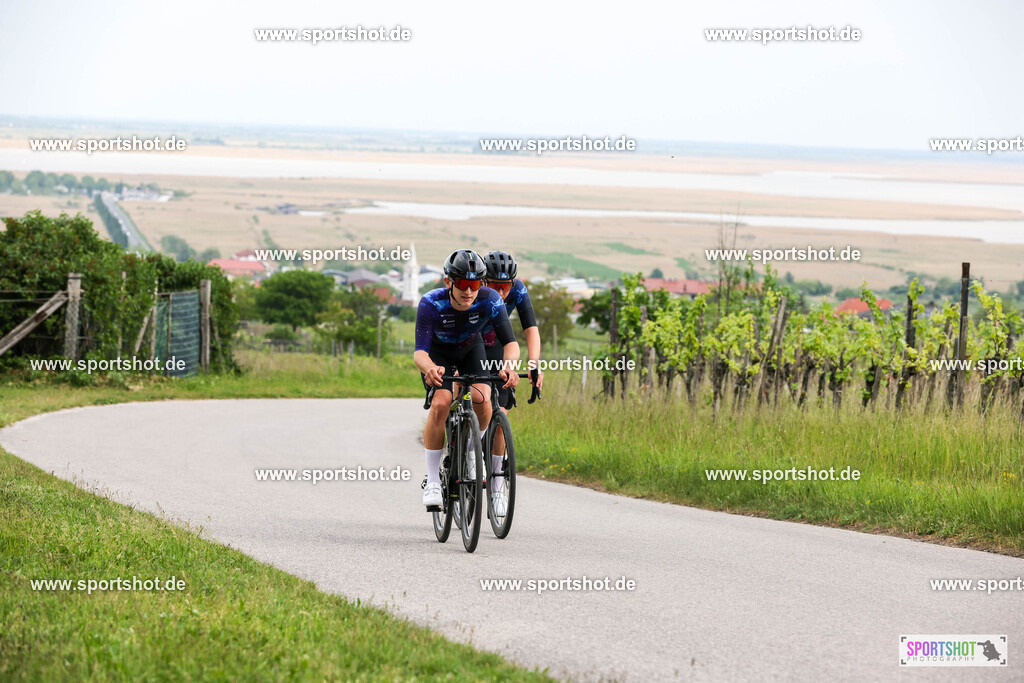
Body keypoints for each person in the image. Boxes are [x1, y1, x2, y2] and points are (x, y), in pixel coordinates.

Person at [414, 249, 520, 509]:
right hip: (439, 356)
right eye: (462, 284)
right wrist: (430, 368)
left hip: (472, 351)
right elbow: (420, 353)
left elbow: (511, 343)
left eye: (474, 284)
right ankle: (433, 482)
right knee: (441, 403)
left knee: (483, 399)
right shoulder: (430, 303)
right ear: (448, 282)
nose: (469, 291)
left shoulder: (491, 299)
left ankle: (472, 451)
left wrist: (508, 367)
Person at [480, 250, 543, 516]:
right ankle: (462, 444)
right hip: (472, 347)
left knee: (500, 416)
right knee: (469, 396)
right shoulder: (474, 291)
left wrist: (534, 364)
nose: (501, 292)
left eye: (505, 287)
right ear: (485, 283)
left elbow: (531, 330)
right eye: (495, 286)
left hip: (499, 349)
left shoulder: (518, 290)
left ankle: (496, 487)